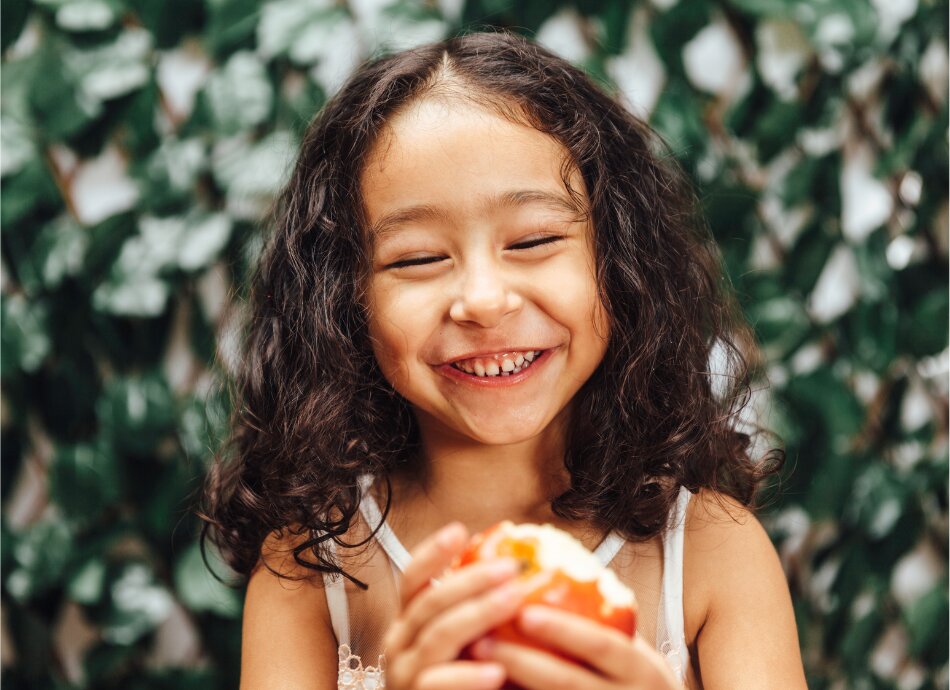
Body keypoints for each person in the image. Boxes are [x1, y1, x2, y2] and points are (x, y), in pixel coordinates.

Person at [199, 29, 808, 690]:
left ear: (619, 262)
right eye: (419, 258)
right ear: (344, 302)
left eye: (535, 239)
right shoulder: (309, 573)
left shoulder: (714, 554)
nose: (483, 301)